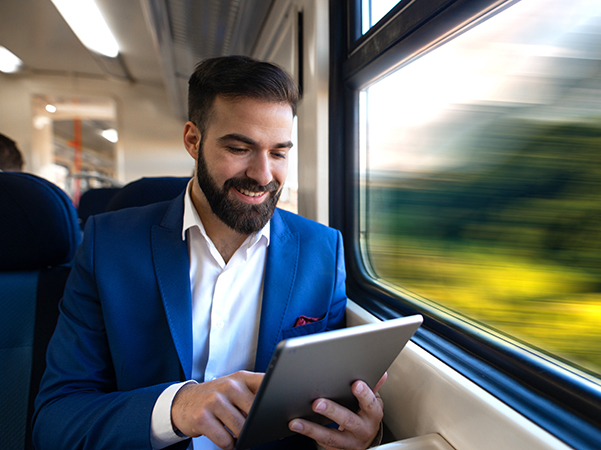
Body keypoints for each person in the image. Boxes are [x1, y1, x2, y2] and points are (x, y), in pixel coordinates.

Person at [33, 56, 384, 450]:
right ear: (192, 140)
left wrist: (355, 434)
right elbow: (55, 420)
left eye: (279, 153)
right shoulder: (109, 245)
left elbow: (325, 404)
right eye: (239, 148)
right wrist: (175, 409)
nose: (264, 175)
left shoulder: (323, 251)